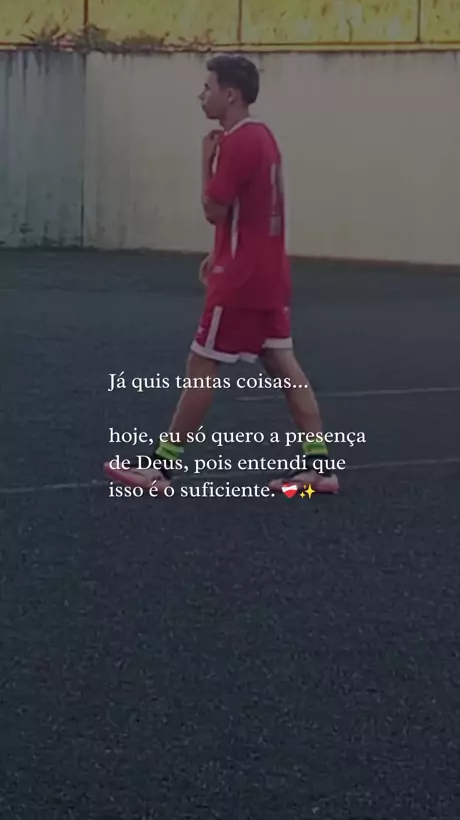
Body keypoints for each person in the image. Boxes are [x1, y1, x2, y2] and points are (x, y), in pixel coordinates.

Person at [104, 54, 339, 497]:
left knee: (201, 363)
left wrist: (205, 160)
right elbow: (252, 211)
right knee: (282, 363)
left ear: (230, 94)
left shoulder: (237, 142)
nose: (201, 95)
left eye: (207, 87)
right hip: (268, 272)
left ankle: (161, 468)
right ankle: (319, 467)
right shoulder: (264, 137)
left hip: (241, 279)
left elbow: (214, 209)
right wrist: (219, 252)